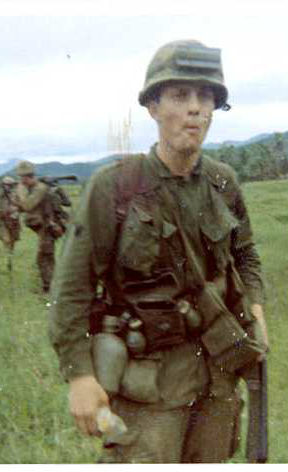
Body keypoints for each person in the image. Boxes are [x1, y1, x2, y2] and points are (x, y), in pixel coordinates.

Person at [49, 39, 269, 463]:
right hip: (149, 390)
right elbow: (71, 289)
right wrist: (79, 376)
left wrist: (256, 307)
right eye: (180, 95)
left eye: (205, 97)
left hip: (218, 378)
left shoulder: (223, 182)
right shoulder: (114, 187)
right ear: (153, 107)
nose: (195, 109)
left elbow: (246, 254)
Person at [14, 160, 67, 293]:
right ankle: (51, 286)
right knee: (46, 257)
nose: (21, 180)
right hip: (43, 227)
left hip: (49, 227)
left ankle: (51, 288)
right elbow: (24, 208)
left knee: (44, 257)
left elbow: (28, 206)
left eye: (22, 177)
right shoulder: (33, 188)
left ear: (27, 176)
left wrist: (21, 191)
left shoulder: (40, 188)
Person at [0, 175, 21, 255]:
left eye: (9, 185)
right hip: (3, 221)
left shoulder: (15, 196)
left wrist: (15, 209)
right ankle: (7, 253)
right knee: (6, 239)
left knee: (13, 239)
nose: (8, 187)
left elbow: (21, 206)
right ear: (3, 186)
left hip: (14, 221)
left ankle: (10, 253)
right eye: (6, 185)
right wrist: (2, 212)